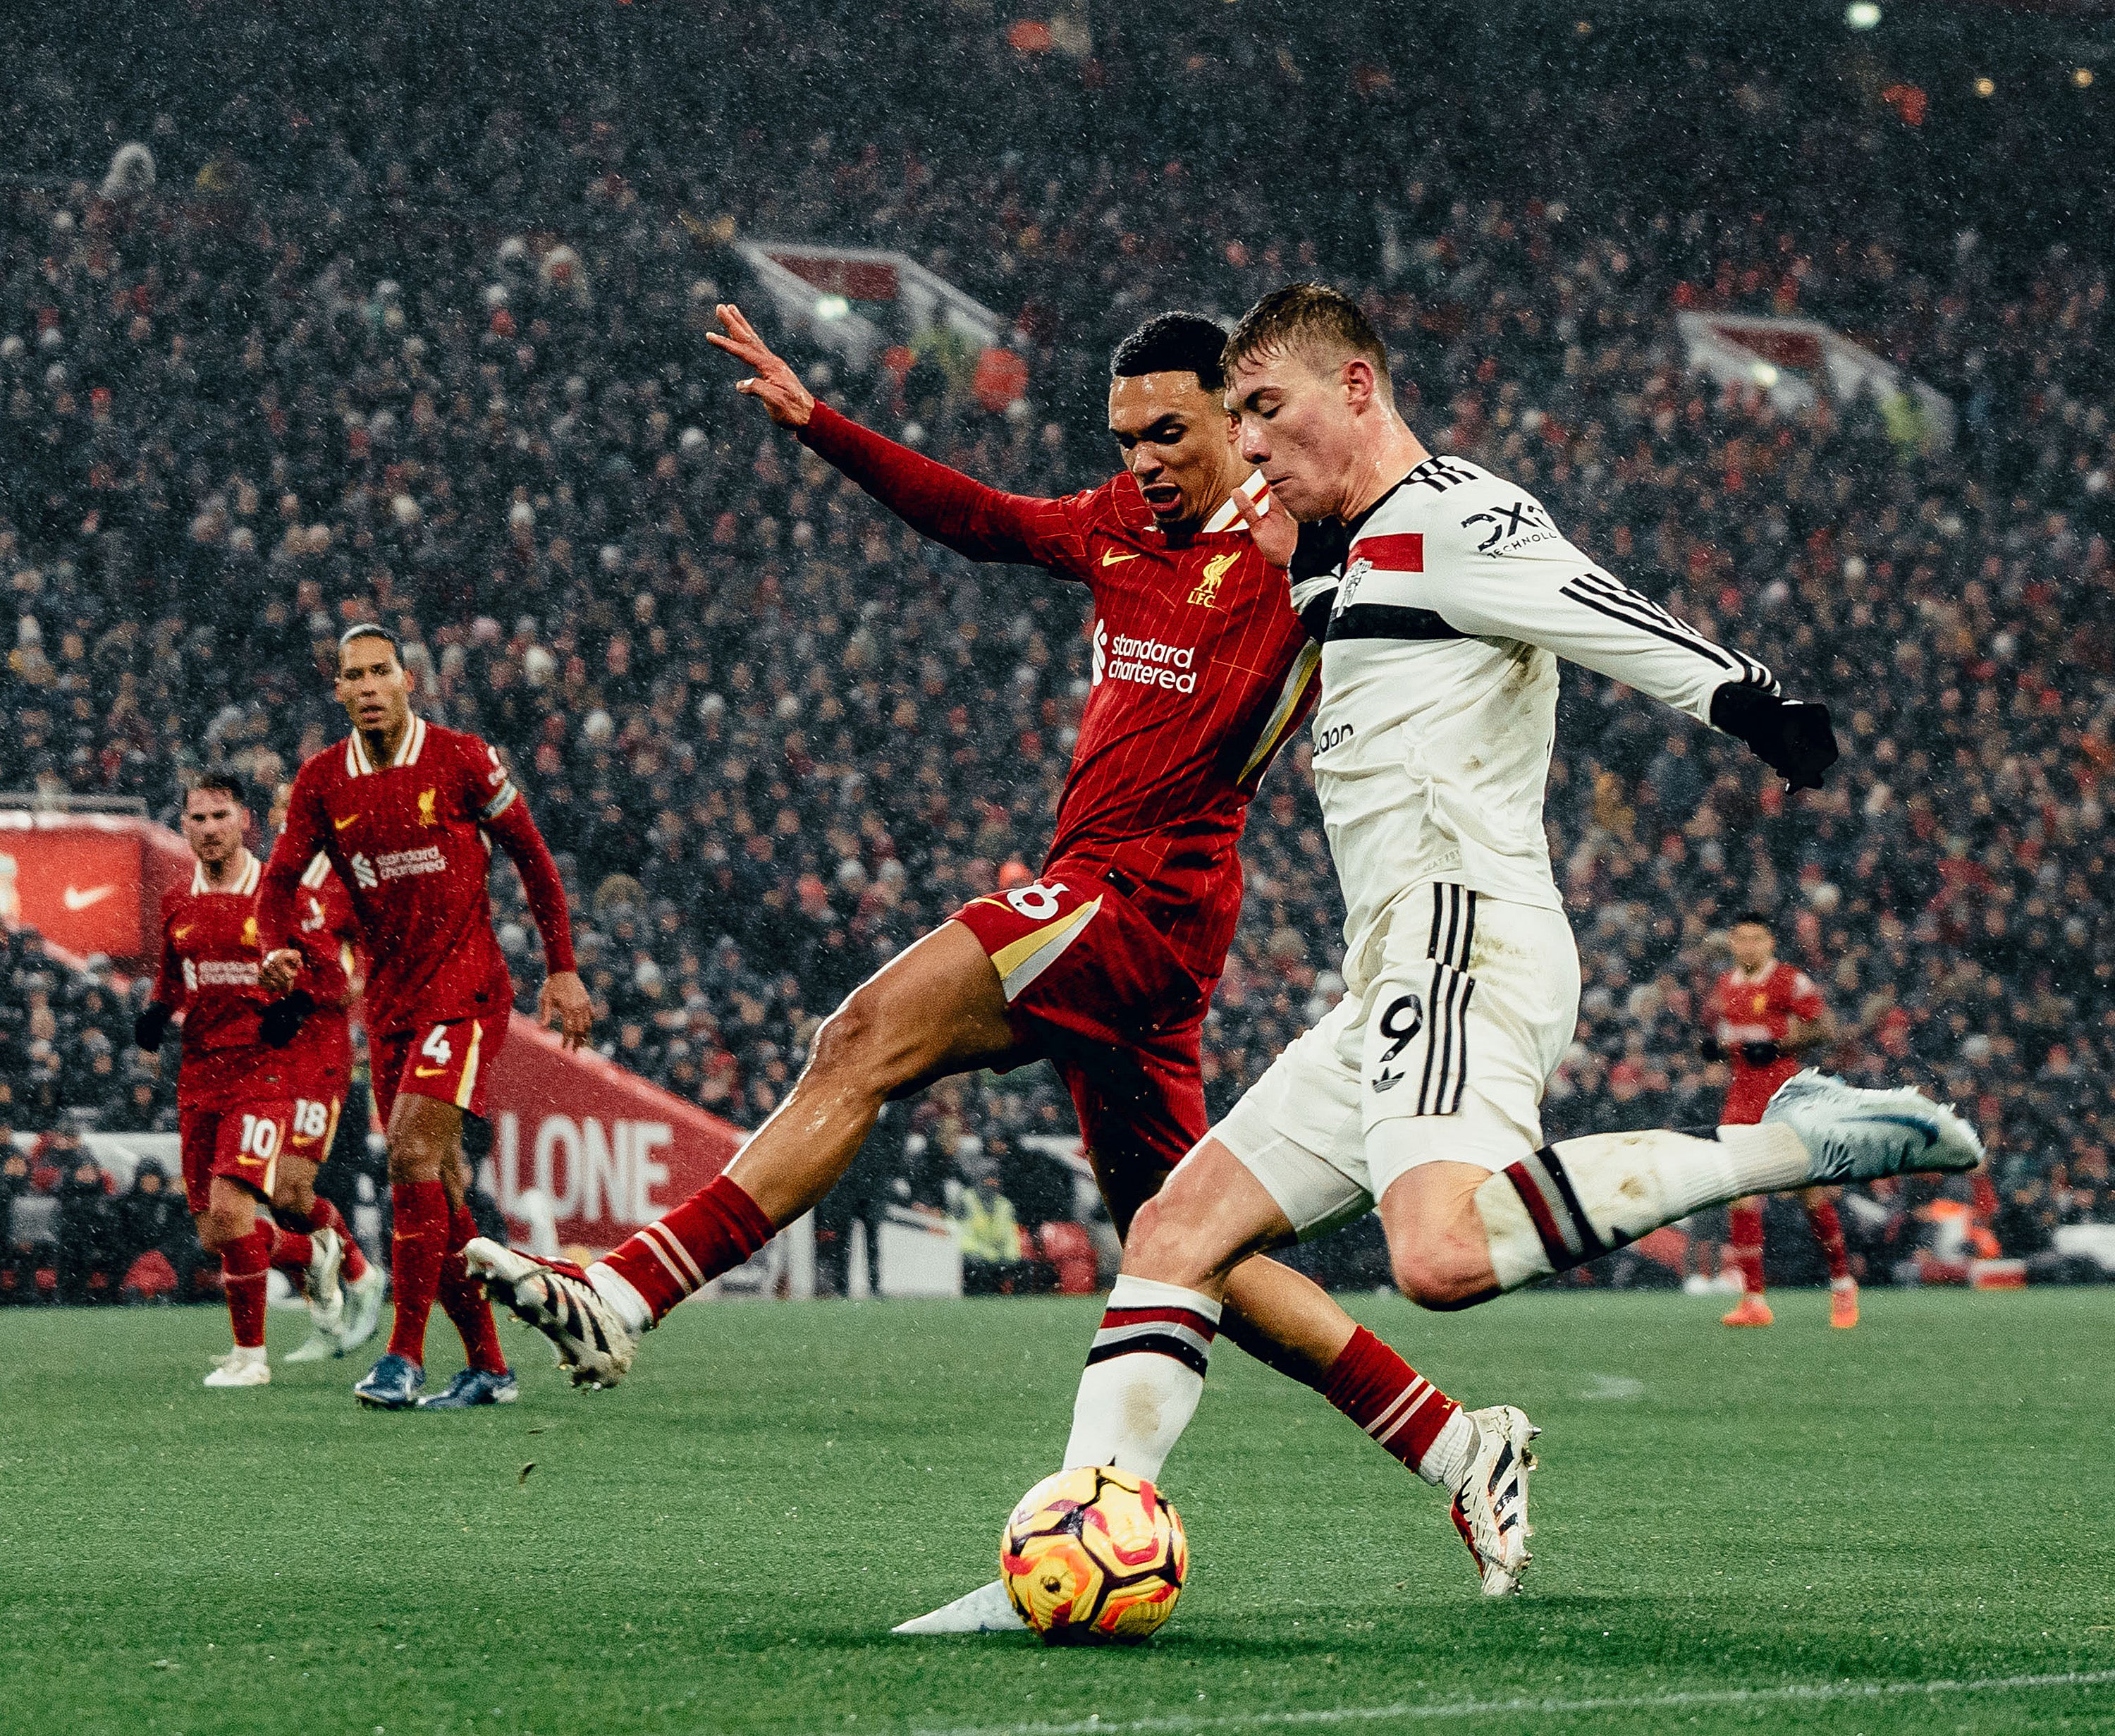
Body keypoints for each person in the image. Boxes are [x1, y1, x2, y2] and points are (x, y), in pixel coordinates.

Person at [469, 306, 1535, 1610]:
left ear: (1243, 414)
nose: (1143, 458)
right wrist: (824, 428)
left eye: (1170, 430)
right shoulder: (1117, 527)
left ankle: (630, 1290)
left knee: (860, 1036)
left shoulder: (1311, 553)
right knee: (1184, 1243)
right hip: (1139, 931)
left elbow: (1450, 570)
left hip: (1136, 895)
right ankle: (1456, 1441)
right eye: (1124, 437)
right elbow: (976, 516)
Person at [984, 283, 1982, 1607]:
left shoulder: (1457, 516)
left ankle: (1799, 1142)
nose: (1255, 447)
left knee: (1439, 1258)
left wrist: (1752, 702)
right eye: (1238, 422)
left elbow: (1596, 604)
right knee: (1174, 1230)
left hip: (1464, 934)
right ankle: (1079, 1530)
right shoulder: (1333, 547)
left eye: (1267, 412)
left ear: (1357, 388)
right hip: (1389, 970)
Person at [257, 623, 591, 1409]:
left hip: (466, 990)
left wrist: (564, 967)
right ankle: (493, 1361)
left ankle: (403, 1356)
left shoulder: (462, 757)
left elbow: (533, 858)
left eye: (381, 672)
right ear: (337, 690)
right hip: (395, 1007)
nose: (369, 687)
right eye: (353, 676)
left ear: (408, 678)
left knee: (409, 1157)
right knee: (436, 1185)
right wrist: (278, 949)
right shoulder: (320, 781)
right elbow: (275, 884)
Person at [135, 776, 348, 1386]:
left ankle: (250, 1357)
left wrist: (296, 1006)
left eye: (219, 816)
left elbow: (329, 976)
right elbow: (174, 979)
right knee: (213, 1232)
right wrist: (156, 1013)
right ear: (184, 826)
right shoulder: (178, 900)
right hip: (199, 1075)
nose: (208, 829)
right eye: (197, 818)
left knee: (234, 1210)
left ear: (244, 821)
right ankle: (313, 1251)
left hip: (263, 1073)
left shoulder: (278, 897)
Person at [265, 781, 388, 1362]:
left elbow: (361, 973)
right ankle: (329, 1314)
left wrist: (312, 992)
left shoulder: (340, 877)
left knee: (292, 1191)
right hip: (269, 1053)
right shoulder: (272, 882)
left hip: (320, 1054)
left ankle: (361, 1275)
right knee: (273, 1195)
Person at [1702, 913, 1854, 1328]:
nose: (1747, 946)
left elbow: (1825, 1027)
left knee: (1809, 1193)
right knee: (1741, 1191)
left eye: (1755, 939)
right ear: (1731, 943)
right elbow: (1732, 1034)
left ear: (1770, 943)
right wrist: (1717, 1049)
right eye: (1740, 939)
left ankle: (1842, 1284)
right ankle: (1754, 1299)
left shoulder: (1788, 980)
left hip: (1784, 1096)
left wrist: (1779, 1046)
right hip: (1740, 1099)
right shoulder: (1725, 985)